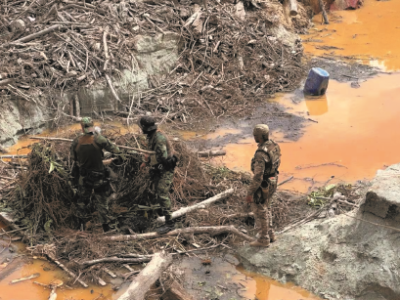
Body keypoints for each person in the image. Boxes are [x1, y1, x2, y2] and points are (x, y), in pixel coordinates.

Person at [70, 117, 123, 231]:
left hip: (84, 177)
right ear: (92, 126)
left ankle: (80, 226)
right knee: (102, 202)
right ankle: (106, 227)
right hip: (99, 177)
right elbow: (116, 150)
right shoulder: (99, 139)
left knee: (82, 201)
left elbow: (74, 158)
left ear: (82, 127)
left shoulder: (76, 141)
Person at [138, 116, 178, 234]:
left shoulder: (159, 138)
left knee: (162, 194)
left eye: (142, 128)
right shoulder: (152, 136)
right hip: (158, 168)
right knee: (157, 191)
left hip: (165, 169)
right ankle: (162, 212)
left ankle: (170, 223)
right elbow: (152, 153)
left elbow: (163, 158)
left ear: (146, 128)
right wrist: (146, 162)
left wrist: (149, 159)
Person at [246, 124, 281, 247]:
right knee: (267, 207)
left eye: (255, 135)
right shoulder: (274, 146)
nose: (254, 137)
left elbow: (258, 176)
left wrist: (250, 193)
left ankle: (263, 239)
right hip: (273, 181)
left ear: (259, 137)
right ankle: (271, 233)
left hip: (263, 184)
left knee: (260, 210)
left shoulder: (261, 154)